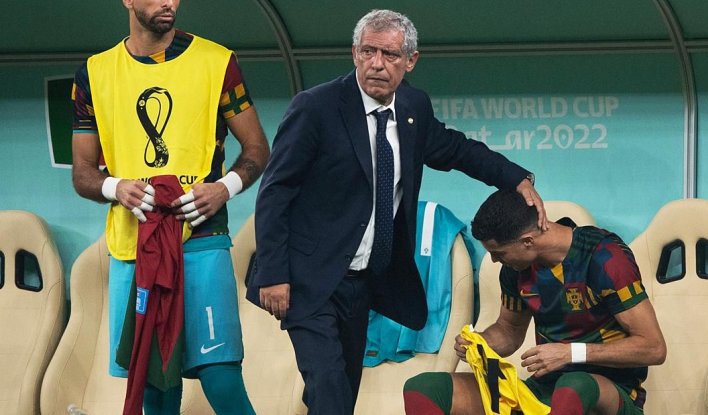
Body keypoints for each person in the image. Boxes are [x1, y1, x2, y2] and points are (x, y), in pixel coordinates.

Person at [248, 9, 546, 415]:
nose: (377, 63)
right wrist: (273, 274)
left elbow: (456, 149)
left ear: (410, 60)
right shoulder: (316, 107)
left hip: (362, 281)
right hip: (309, 277)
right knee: (329, 383)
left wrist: (517, 179)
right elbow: (275, 191)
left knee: (340, 389)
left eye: (389, 54)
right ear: (354, 53)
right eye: (367, 51)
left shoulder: (412, 107)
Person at [71, 0, 269, 414]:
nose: (170, 2)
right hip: (135, 245)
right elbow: (82, 173)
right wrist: (115, 187)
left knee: (220, 374)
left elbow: (257, 148)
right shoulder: (93, 73)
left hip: (201, 235)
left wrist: (224, 188)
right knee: (155, 383)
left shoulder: (218, 61)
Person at [403, 189, 667, 415]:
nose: (494, 260)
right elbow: (509, 331)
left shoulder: (603, 257)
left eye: (499, 253)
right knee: (424, 388)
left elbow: (654, 347)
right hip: (544, 390)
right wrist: (480, 343)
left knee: (575, 385)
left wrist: (570, 353)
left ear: (527, 241)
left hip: (610, 393)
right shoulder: (516, 269)